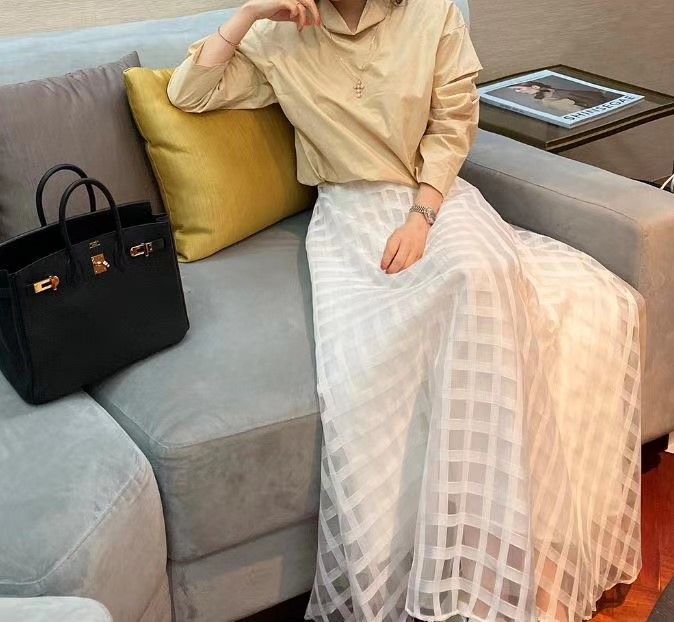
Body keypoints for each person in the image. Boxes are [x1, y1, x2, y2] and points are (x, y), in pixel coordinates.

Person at [167, 1, 642, 621]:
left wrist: (421, 217)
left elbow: (453, 122)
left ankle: (504, 564)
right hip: (350, 213)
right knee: (374, 367)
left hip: (435, 202)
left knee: (485, 277)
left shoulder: (433, 14)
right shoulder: (277, 36)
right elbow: (190, 93)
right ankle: (451, 570)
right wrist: (251, 12)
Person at [511, 80, 618, 111]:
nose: (518, 91)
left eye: (519, 88)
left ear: (535, 86)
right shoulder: (546, 100)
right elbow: (577, 110)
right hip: (597, 105)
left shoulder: (550, 94)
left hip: (601, 99)